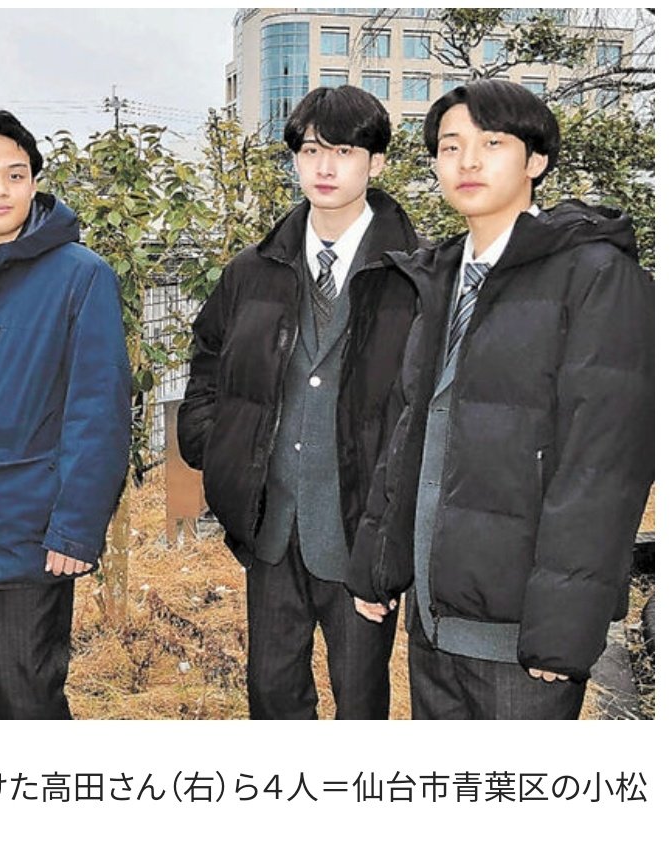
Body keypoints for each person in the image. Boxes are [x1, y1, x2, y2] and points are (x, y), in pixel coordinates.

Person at [347, 80, 654, 719]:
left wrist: (565, 628)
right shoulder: (439, 275)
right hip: (435, 618)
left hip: (522, 635)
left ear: (535, 160)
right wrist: (378, 563)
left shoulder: (597, 276)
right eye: (450, 146)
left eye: (492, 143)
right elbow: (411, 430)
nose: (468, 161)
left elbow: (603, 466)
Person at [177, 86, 421, 719]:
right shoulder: (252, 270)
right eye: (311, 150)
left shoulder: (414, 276)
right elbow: (207, 357)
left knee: (360, 702)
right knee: (271, 694)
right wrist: (216, 445)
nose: (325, 167)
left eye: (344, 151)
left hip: (359, 530)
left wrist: (392, 529)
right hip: (269, 525)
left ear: (377, 162)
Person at [0, 110, 131, 719]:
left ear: (34, 182)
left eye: (15, 174)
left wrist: (76, 527)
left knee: (26, 701)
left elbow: (98, 409)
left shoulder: (80, 276)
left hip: (26, 537)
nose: (0, 190)